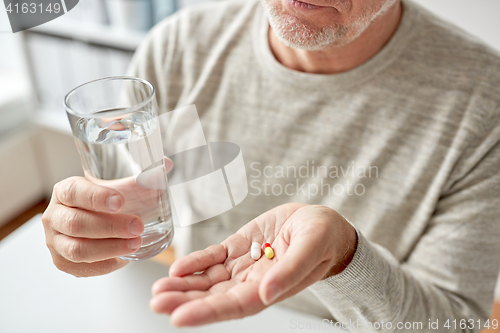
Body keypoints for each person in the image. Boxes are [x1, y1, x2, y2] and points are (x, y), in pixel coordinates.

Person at [42, 0, 500, 331]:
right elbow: (152, 216)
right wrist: (96, 232)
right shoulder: (176, 51)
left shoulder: (484, 101)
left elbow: (451, 324)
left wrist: (343, 257)